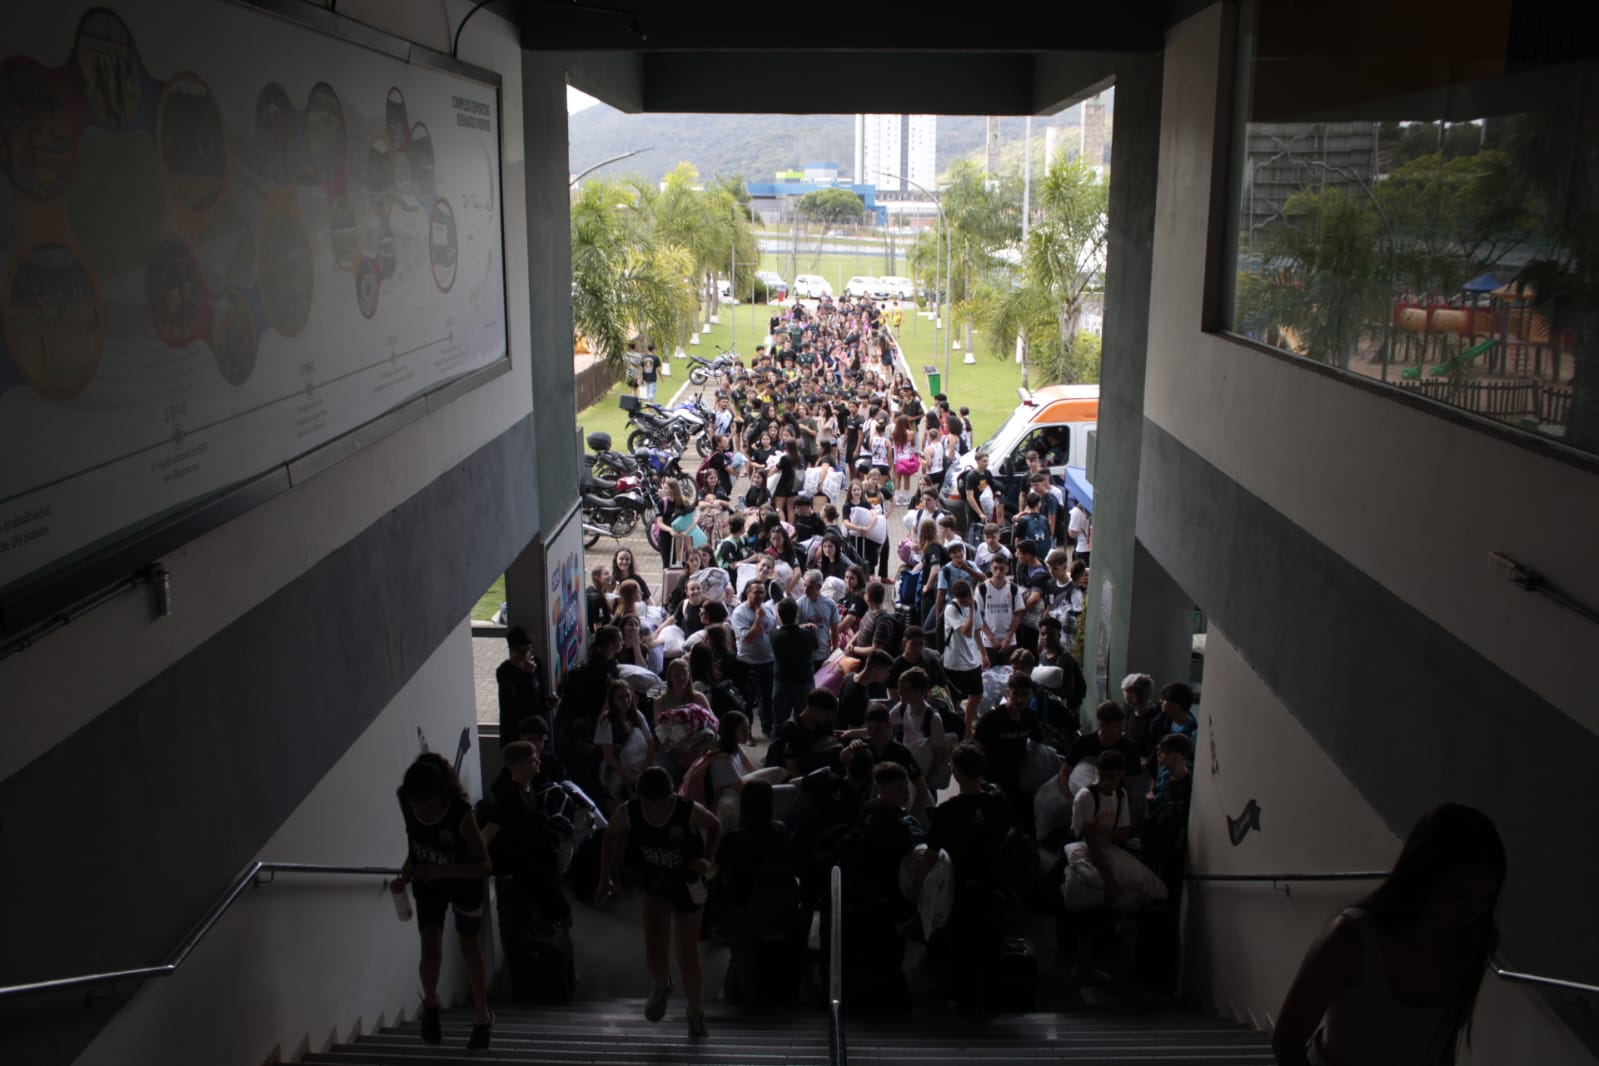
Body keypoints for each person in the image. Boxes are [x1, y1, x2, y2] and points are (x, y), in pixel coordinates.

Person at [1272, 805, 1506, 1066]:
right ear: (1420, 879)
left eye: (1485, 899)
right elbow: (1287, 1041)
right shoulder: (1351, 938)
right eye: (1456, 897)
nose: (1472, 913)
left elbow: (1442, 1044)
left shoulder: (1475, 941)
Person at [597, 766, 723, 1039]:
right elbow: (610, 835)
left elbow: (715, 825)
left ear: (671, 797)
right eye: (648, 806)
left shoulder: (687, 810)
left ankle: (695, 1012)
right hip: (655, 882)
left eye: (661, 806)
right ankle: (662, 984)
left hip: (687, 881)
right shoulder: (629, 812)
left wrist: (708, 859)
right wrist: (604, 877)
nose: (654, 812)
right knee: (654, 955)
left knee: (686, 956)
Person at [392, 753, 495, 1048]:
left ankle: (481, 1016)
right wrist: (411, 863)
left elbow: (485, 866)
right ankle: (432, 1006)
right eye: (417, 807)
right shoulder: (405, 800)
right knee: (430, 948)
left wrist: (444, 870)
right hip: (428, 880)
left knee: (470, 948)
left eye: (430, 806)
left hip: (463, 882)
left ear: (443, 795)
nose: (423, 812)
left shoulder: (461, 814)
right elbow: (415, 839)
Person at [914, 743, 1015, 1014]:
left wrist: (918, 886)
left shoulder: (949, 811)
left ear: (957, 773)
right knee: (992, 941)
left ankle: (964, 999)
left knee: (962, 945)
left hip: (961, 887)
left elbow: (931, 854)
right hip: (994, 883)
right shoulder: (999, 802)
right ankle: (992, 996)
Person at [973, 671, 1042, 824]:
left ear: (1031, 695)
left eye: (1025, 694)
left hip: (1018, 780)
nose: (1019, 699)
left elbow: (1039, 743)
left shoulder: (1030, 717)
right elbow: (976, 751)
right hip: (992, 780)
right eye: (1015, 693)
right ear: (1007, 693)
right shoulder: (991, 719)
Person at [730, 578, 778, 738]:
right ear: (748, 593)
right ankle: (747, 731)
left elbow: (772, 631)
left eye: (762, 592)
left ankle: (767, 726)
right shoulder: (739, 613)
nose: (760, 596)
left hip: (767, 661)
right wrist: (758, 619)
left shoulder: (768, 609)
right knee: (748, 699)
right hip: (747, 663)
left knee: (767, 696)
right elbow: (747, 638)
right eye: (756, 592)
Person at [596, 679, 655, 807]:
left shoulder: (637, 716)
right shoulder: (606, 722)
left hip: (641, 765)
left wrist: (644, 771)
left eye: (627, 696)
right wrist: (629, 775)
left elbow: (651, 743)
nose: (625, 701)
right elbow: (609, 756)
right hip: (619, 769)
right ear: (613, 700)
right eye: (620, 698)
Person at [942, 579, 984, 733]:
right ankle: (955, 730)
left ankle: (967, 728)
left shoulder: (974, 603)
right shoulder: (951, 609)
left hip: (973, 659)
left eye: (968, 597)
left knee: (977, 694)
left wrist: (984, 654)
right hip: (956, 661)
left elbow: (977, 630)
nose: (966, 601)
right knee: (956, 700)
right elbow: (966, 631)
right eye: (963, 599)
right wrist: (971, 610)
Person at [770, 598, 818, 729]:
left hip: (782, 683)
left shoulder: (774, 635)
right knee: (803, 720)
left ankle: (779, 746)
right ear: (797, 614)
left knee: (779, 722)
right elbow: (815, 647)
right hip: (804, 681)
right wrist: (808, 628)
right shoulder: (808, 634)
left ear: (779, 615)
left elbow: (786, 631)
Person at [496, 625, 547, 746]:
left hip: (535, 730)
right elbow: (513, 704)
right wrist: (528, 676)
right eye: (521, 651)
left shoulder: (536, 664)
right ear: (512, 649)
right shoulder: (505, 672)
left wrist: (547, 703)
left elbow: (537, 697)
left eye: (528, 649)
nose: (526, 655)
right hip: (515, 734)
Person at [975, 555, 1025, 667]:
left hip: (1009, 641)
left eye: (1001, 568)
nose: (998, 572)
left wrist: (1008, 638)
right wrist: (991, 638)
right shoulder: (982, 589)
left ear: (1007, 569)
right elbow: (978, 615)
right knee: (989, 676)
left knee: (1009, 675)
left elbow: (1018, 615)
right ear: (991, 568)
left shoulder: (1013, 588)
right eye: (995, 568)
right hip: (988, 641)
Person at [838, 649, 893, 731]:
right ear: (875, 669)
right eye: (886, 671)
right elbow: (853, 730)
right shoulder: (858, 696)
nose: (888, 675)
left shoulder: (849, 676)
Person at [1067, 498, 1091, 566]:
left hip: (1083, 549)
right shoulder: (1096, 508)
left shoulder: (1077, 511)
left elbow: (1072, 533)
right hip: (1095, 548)